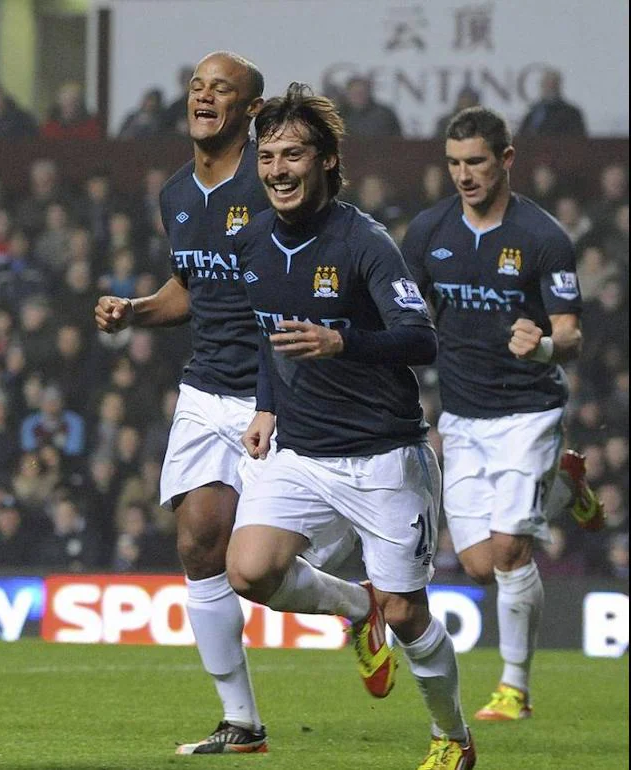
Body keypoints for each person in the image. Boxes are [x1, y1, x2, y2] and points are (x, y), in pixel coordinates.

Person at [94, 52, 348, 756]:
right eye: (196, 87)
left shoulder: (271, 183)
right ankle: (243, 722)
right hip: (207, 388)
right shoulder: (175, 192)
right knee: (198, 546)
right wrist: (137, 310)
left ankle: (358, 606)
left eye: (221, 89)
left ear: (251, 108)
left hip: (281, 393)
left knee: (258, 567)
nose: (203, 97)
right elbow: (192, 286)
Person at [227, 83, 476, 770]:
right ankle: (354, 606)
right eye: (268, 156)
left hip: (383, 457)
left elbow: (420, 339)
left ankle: (452, 736)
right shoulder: (253, 244)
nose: (278, 169)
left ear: (328, 161)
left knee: (408, 615)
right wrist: (266, 404)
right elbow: (269, 335)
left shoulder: (364, 242)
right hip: (301, 451)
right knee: (248, 570)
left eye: (294, 154)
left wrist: (344, 343)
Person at [402, 106, 602, 725]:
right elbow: (407, 314)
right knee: (481, 565)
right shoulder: (429, 232)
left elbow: (571, 335)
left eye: (477, 163)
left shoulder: (542, 237)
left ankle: (514, 687)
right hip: (462, 418)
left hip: (528, 412)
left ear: (506, 160)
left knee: (513, 550)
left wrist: (541, 343)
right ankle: (567, 488)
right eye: (455, 164)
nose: (464, 175)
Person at [518, 69, 586, 138]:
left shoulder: (571, 113)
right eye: (545, 83)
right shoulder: (534, 111)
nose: (547, 87)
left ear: (558, 86)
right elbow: (522, 134)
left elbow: (578, 140)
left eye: (551, 83)